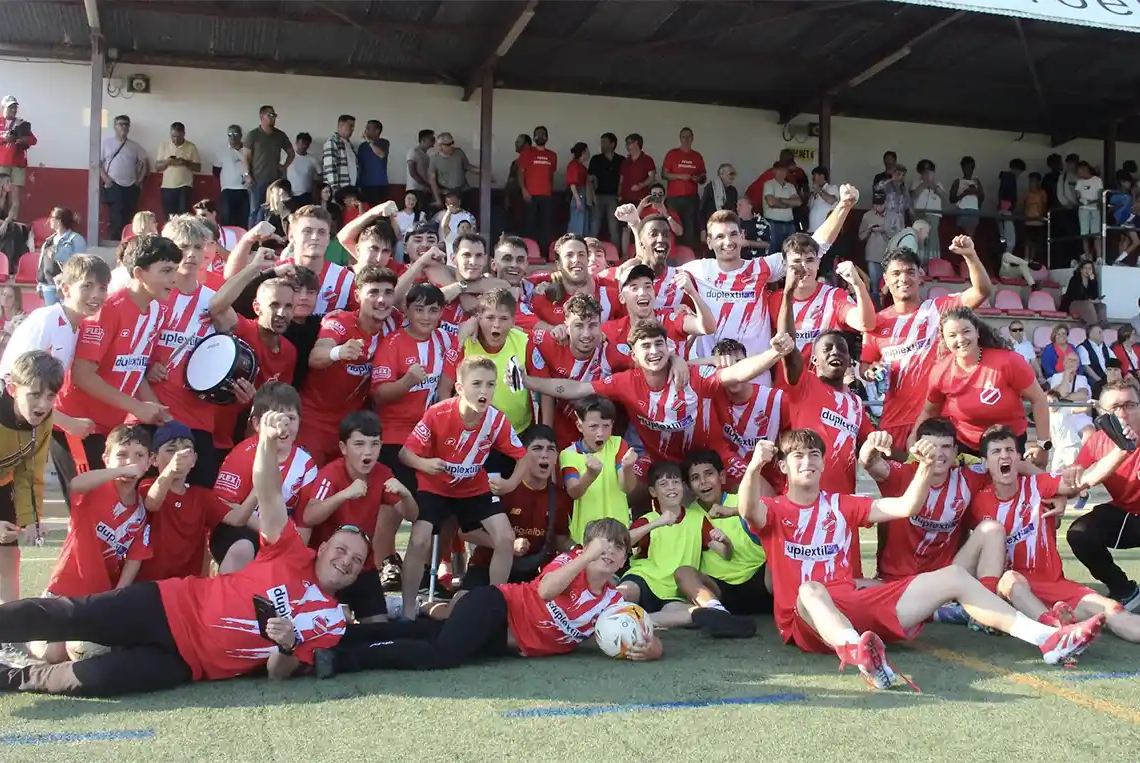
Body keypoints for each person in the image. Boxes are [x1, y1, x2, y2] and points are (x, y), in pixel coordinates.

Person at [0, 408, 364, 696]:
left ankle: (11, 679)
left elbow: (276, 674)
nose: (346, 561)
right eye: (343, 549)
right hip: (169, 604)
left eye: (357, 561)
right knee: (71, 616)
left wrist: (286, 645)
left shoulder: (331, 623)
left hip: (186, 663)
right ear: (322, 547)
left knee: (96, 679)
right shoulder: (289, 550)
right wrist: (267, 443)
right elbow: (268, 492)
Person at [739, 428, 1105, 690]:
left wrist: (927, 466)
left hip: (854, 604)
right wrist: (755, 467)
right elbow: (747, 509)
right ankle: (856, 651)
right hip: (806, 620)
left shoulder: (841, 504)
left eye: (814, 454)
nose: (807, 461)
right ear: (784, 467)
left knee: (955, 577)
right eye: (798, 456)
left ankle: (1047, 639)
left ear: (822, 464)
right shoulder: (772, 509)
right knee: (811, 588)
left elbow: (905, 506)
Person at [317, 518, 660, 676]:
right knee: (441, 654)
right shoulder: (570, 562)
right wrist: (586, 555)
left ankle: (341, 638)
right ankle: (344, 660)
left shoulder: (613, 602)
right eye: (603, 545)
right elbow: (545, 590)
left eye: (618, 548)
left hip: (502, 640)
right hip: (496, 606)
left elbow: (649, 630)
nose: (610, 552)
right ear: (586, 548)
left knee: (425, 633)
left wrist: (652, 649)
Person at [524, 321, 790, 488]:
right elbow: (573, 388)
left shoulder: (691, 376)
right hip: (658, 460)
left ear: (669, 348)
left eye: (659, 344)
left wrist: (775, 352)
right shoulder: (625, 381)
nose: (654, 351)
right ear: (634, 355)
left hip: (713, 454)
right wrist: (528, 381)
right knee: (623, 489)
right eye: (646, 346)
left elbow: (738, 373)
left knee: (761, 493)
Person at [972, 424, 1140, 642]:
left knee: (1113, 611)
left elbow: (1085, 479)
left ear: (1019, 458)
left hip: (1054, 586)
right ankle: (1056, 633)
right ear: (985, 462)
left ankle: (1057, 623)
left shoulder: (1038, 485)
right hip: (1010, 592)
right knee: (1011, 579)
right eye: (996, 452)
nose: (1004, 456)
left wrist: (1121, 450)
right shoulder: (977, 501)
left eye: (1009, 450)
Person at [398, 357, 531, 619]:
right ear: (459, 388)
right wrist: (425, 464)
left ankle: (495, 606)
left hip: (473, 487)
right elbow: (405, 454)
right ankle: (407, 611)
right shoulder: (438, 413)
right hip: (434, 487)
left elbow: (523, 456)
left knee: (505, 537)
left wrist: (509, 484)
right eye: (477, 384)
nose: (484, 392)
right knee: (419, 539)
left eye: (491, 385)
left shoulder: (496, 420)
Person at [50, 235, 177, 491]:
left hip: (111, 428)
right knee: (87, 506)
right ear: (139, 273)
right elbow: (82, 376)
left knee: (110, 507)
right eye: (166, 271)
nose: (173, 278)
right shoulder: (108, 309)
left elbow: (134, 367)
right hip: (79, 426)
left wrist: (153, 408)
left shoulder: (158, 310)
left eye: (174, 270)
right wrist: (137, 408)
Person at [859, 238, 992, 448]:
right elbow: (865, 367)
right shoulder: (876, 323)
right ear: (885, 279)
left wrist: (970, 255)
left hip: (939, 420)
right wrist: (871, 371)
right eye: (896, 273)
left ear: (921, 275)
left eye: (910, 272)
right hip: (895, 420)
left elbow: (982, 291)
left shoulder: (940, 309)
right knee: (900, 480)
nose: (903, 278)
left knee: (938, 480)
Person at [37, 424, 153, 664]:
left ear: (150, 461)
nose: (129, 462)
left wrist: (117, 594)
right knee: (53, 655)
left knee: (92, 651)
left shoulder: (141, 508)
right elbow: (77, 484)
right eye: (121, 454)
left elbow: (136, 556)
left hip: (100, 594)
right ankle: (28, 632)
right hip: (66, 586)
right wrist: (118, 470)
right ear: (106, 458)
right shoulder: (95, 488)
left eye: (139, 456)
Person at [299, 410, 416, 623]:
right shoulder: (332, 473)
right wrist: (344, 494)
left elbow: (413, 515)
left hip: (363, 566)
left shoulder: (382, 473)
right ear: (343, 448)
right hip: (329, 565)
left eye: (375, 444)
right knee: (328, 625)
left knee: (378, 628)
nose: (368, 452)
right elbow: (309, 516)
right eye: (359, 444)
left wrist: (406, 494)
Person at [860, 417, 1005, 587]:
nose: (938, 454)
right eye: (931, 446)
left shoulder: (968, 477)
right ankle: (944, 610)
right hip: (896, 581)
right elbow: (870, 462)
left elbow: (1009, 467)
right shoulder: (902, 474)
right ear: (917, 449)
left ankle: (983, 606)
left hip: (944, 577)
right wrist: (872, 444)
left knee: (992, 529)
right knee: (849, 589)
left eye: (945, 447)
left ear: (955, 451)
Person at [147, 215, 232, 488]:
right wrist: (148, 365)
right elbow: (129, 352)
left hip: (199, 421)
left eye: (198, 247)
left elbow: (229, 351)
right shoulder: (152, 297)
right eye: (183, 247)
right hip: (153, 417)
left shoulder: (214, 302)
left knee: (196, 504)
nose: (192, 254)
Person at [915, 306, 1051, 460]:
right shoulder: (941, 371)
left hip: (1008, 446)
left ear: (977, 332)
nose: (960, 339)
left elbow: (1039, 399)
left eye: (966, 331)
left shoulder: (1009, 362)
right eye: (952, 335)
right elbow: (929, 411)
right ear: (945, 340)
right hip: (965, 447)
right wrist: (913, 439)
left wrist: (1043, 444)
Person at [211, 382, 317, 574]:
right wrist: (266, 529)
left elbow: (304, 522)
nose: (283, 428)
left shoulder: (306, 464)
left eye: (290, 419)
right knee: (242, 549)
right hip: (241, 531)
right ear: (257, 424)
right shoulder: (244, 453)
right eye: (275, 420)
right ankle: (224, 596)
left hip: (282, 537)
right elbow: (223, 505)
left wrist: (294, 552)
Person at [299, 266, 399, 465]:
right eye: (373, 292)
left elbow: (427, 309)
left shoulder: (394, 322)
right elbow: (316, 357)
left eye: (388, 293)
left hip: (352, 428)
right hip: (314, 422)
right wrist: (338, 352)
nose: (381, 300)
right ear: (357, 296)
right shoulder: (339, 322)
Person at [136, 421, 254, 582]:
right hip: (151, 585)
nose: (179, 455)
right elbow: (152, 503)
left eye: (186, 450)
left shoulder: (201, 496)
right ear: (154, 459)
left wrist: (259, 490)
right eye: (171, 450)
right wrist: (170, 470)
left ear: (194, 459)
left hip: (189, 586)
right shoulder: (148, 485)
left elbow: (237, 519)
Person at [460, 425, 571, 590]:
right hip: (485, 567)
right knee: (464, 606)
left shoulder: (560, 497)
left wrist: (584, 553)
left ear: (556, 457)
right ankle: (425, 608)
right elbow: (465, 532)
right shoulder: (503, 489)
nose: (544, 455)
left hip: (529, 573)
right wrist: (505, 544)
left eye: (551, 449)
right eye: (537, 448)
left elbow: (560, 540)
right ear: (522, 455)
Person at [673, 449, 774, 620]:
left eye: (708, 474)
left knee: (779, 550)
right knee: (683, 573)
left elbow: (773, 514)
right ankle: (718, 614)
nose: (704, 482)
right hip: (721, 590)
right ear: (689, 487)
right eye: (695, 478)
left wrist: (735, 511)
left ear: (722, 477)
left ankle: (793, 606)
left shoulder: (741, 502)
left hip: (761, 582)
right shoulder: (689, 516)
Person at [1066, 381, 1140, 609]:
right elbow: (1075, 479)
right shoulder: (1098, 441)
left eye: (1130, 405)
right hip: (1126, 513)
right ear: (1102, 413)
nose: (1123, 413)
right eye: (1115, 407)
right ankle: (1124, 590)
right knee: (1079, 533)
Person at [0, 351, 63, 608]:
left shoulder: (44, 420)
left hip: (3, 484)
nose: (43, 405)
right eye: (35, 394)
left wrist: (31, 520)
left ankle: (8, 633)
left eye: (50, 396)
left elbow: (30, 470)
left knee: (9, 557)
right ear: (13, 389)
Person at [243, 106, 294, 227]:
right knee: (255, 211)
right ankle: (253, 242)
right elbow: (246, 157)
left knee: (274, 210)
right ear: (262, 117)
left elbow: (291, 153)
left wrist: (284, 166)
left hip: (275, 181)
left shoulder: (280, 135)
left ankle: (270, 238)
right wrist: (247, 174)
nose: (273, 118)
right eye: (270, 115)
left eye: (274, 115)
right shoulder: (253, 135)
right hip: (256, 179)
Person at [100, 115, 148, 240]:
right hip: (113, 183)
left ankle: (127, 239)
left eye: (126, 124)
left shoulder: (134, 146)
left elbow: (145, 162)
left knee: (129, 212)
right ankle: (114, 241)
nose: (123, 127)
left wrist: (139, 180)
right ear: (115, 126)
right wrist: (106, 179)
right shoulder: (106, 144)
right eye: (120, 124)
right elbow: (96, 163)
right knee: (116, 213)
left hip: (131, 185)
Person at [1046, 351, 1096, 471]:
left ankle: (1081, 461)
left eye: (1075, 361)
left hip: (1078, 413)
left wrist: (1063, 398)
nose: (1072, 363)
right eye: (1069, 360)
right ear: (1064, 363)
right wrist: (1066, 375)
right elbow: (1059, 394)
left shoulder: (1082, 378)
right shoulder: (1056, 377)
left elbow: (1083, 396)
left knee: (1089, 432)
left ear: (1078, 364)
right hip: (1061, 414)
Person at [662, 127, 705, 247]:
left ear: (692, 138)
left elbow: (703, 177)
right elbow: (664, 174)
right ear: (680, 138)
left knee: (689, 228)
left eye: (688, 137)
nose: (686, 139)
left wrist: (698, 178)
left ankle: (688, 255)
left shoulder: (697, 156)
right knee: (673, 226)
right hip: (674, 198)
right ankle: (672, 252)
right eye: (683, 136)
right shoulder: (672, 154)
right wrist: (681, 176)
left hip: (691, 198)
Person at [518, 126, 557, 255]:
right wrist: (524, 190)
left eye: (543, 134)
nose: (540, 136)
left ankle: (544, 254)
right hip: (530, 195)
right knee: (529, 226)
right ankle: (528, 253)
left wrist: (550, 191)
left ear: (547, 137)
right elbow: (520, 174)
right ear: (534, 137)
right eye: (537, 134)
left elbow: (551, 175)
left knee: (545, 226)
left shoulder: (552, 155)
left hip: (546, 195)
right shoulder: (526, 153)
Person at [36, 207, 87, 306]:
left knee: (66, 316)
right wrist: (40, 283)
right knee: (52, 317)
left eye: (51, 217)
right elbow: (42, 263)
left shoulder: (75, 239)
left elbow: (79, 263)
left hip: (66, 286)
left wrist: (58, 256)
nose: (49, 220)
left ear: (59, 221)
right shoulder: (49, 241)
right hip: (49, 285)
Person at [0, 95, 35, 221]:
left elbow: (33, 140)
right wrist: (4, 139)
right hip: (2, 164)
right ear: (3, 107)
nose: (13, 110)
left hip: (18, 164)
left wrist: (22, 140)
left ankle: (10, 223)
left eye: (15, 107)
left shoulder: (21, 124)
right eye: (10, 107)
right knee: (1, 195)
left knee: (14, 197)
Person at [155, 122, 200, 220]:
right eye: (173, 136)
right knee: (168, 216)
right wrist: (167, 162)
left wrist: (185, 162)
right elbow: (157, 167)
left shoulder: (191, 147)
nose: (175, 139)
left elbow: (198, 168)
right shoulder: (164, 145)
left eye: (178, 137)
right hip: (167, 186)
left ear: (184, 134)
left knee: (183, 216)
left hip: (185, 186)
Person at [588, 132, 623, 244]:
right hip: (597, 196)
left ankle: (616, 253)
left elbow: (623, 179)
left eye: (605, 142)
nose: (602, 145)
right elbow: (589, 178)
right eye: (601, 143)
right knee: (594, 226)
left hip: (613, 197)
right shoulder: (595, 159)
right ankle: (590, 249)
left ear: (613, 144)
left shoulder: (621, 160)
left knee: (614, 227)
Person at [858, 191, 891, 306]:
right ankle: (875, 308)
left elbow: (899, 236)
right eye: (876, 204)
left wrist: (885, 230)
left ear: (886, 203)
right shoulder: (867, 216)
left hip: (889, 255)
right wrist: (869, 230)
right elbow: (861, 236)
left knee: (889, 283)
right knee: (874, 284)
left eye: (881, 204)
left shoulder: (895, 216)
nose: (878, 207)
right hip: (872, 254)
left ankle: (886, 307)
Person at [216, 124, 250, 228]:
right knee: (227, 219)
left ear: (240, 135)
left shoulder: (248, 150)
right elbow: (216, 170)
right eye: (230, 134)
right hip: (227, 190)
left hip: (244, 190)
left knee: (243, 220)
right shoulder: (223, 151)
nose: (233, 137)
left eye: (235, 134)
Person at [1060, 260, 1109, 328]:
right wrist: (1091, 301)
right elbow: (1077, 296)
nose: (1087, 271)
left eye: (1090, 269)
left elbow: (1095, 296)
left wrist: (1093, 282)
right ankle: (1094, 327)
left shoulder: (1093, 281)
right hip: (1073, 304)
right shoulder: (1074, 279)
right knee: (1088, 305)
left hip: (1087, 304)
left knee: (1102, 306)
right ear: (1081, 270)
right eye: (1085, 268)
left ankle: (1104, 328)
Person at [697, 163, 738, 241]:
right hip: (713, 225)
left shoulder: (733, 190)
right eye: (731, 174)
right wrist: (703, 230)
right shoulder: (711, 188)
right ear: (721, 174)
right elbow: (701, 210)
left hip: (728, 226)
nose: (733, 176)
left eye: (734, 174)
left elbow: (734, 211)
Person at [1075, 161, 1104, 261]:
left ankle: (1099, 256)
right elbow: (1077, 196)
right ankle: (1087, 256)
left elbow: (1101, 196)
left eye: (1079, 171)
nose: (1078, 173)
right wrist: (1080, 200)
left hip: (1095, 209)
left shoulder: (1097, 180)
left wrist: (1091, 202)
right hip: (1083, 210)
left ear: (1085, 169)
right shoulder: (1079, 182)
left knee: (1096, 234)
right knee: (1084, 234)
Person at [950, 156, 983, 237]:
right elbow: (952, 199)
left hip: (974, 211)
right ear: (962, 168)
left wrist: (977, 192)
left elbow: (982, 199)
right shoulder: (958, 181)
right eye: (966, 167)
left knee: (970, 237)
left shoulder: (976, 182)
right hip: (962, 210)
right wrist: (964, 194)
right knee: (960, 236)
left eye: (971, 167)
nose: (969, 170)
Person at [285, 132, 319, 207]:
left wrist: (315, 194)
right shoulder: (288, 157)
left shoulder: (313, 160)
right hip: (290, 195)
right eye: (302, 143)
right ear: (296, 143)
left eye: (306, 144)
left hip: (307, 195)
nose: (304, 146)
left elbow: (319, 176)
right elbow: (281, 173)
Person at [1078, 324, 1111, 396]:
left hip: (1108, 377)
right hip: (1094, 379)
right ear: (1091, 335)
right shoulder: (1083, 347)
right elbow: (1086, 368)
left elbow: (1115, 362)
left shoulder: (1105, 347)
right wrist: (1099, 380)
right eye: (1099, 332)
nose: (1102, 335)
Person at [566, 141, 591, 237]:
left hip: (584, 195)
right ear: (583, 152)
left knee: (583, 223)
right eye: (587, 151)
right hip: (578, 194)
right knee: (577, 224)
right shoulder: (574, 165)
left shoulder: (581, 166)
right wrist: (578, 200)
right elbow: (572, 184)